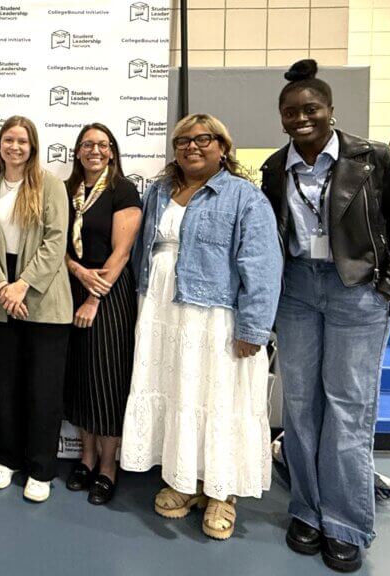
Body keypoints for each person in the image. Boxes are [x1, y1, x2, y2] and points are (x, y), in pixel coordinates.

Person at [261, 60, 390, 572]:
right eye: (291, 112)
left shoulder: (372, 158)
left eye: (311, 109)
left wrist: (386, 290)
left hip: (356, 291)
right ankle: (308, 511)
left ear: (331, 111)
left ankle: (346, 522)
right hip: (297, 292)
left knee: (349, 407)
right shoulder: (274, 167)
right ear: (282, 118)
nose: (301, 118)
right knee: (300, 405)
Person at [120, 114, 282, 540]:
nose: (192, 147)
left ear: (223, 147)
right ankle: (184, 480)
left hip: (215, 315)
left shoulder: (245, 196)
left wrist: (255, 328)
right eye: (183, 141)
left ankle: (222, 493)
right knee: (179, 393)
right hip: (161, 310)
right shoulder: (159, 192)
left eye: (203, 139)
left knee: (218, 396)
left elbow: (263, 267)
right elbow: (144, 249)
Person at [0, 115, 72, 503]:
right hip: (3, 295)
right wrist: (2, 285)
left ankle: (41, 468)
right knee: (7, 383)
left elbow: (55, 240)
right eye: (8, 140)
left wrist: (22, 285)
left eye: (22, 141)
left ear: (33, 147)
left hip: (42, 297)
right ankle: (6, 458)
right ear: (0, 145)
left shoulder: (49, 185)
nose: (14, 147)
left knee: (43, 389)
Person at [62, 123, 142, 506]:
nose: (94, 150)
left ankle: (108, 467)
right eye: (87, 144)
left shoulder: (122, 190)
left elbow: (121, 252)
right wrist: (77, 273)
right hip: (73, 286)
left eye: (102, 144)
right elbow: (55, 244)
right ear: (77, 152)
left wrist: (94, 297)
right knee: (80, 376)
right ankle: (86, 457)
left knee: (106, 379)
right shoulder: (65, 192)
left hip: (108, 293)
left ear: (112, 152)